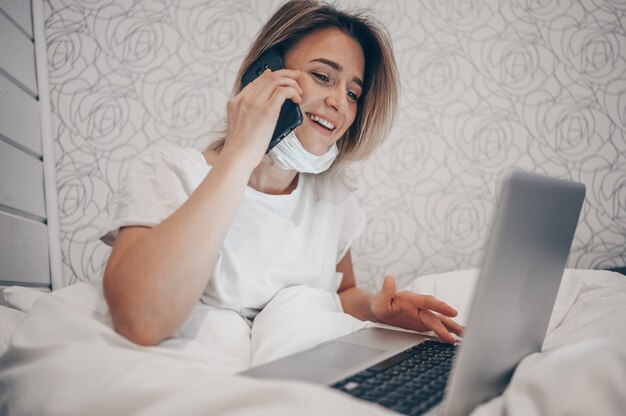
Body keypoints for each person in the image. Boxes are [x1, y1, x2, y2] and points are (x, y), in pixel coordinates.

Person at [100, 0, 463, 349]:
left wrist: (375, 309)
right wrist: (242, 154)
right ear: (264, 73)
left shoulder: (333, 194)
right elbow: (139, 320)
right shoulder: (169, 170)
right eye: (323, 76)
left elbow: (343, 293)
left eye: (353, 93)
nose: (340, 103)